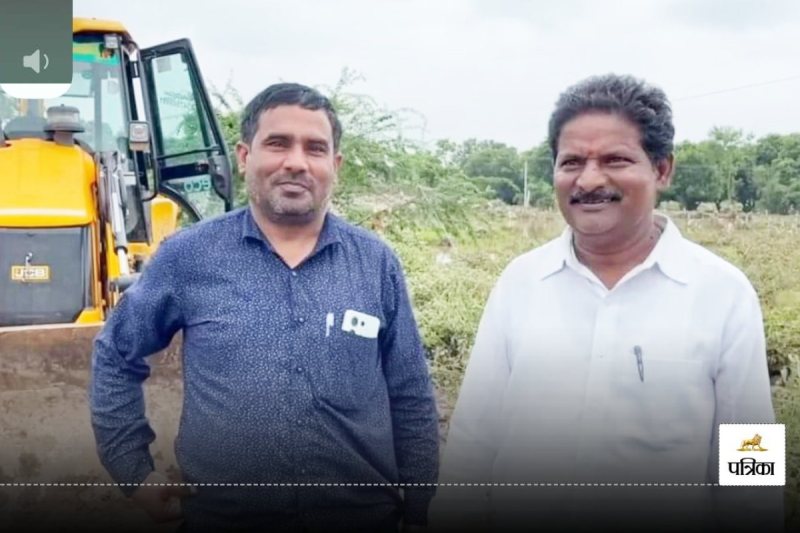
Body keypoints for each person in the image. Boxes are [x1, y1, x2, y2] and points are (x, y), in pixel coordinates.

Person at [435, 74, 780, 532]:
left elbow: (750, 462)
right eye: (572, 162)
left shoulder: (723, 293)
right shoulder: (521, 282)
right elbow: (472, 441)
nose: (590, 179)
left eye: (615, 159)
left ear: (662, 169)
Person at [90, 82, 439, 532]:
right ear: (244, 156)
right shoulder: (189, 257)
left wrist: (419, 510)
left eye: (315, 148)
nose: (296, 162)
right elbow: (116, 354)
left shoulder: (375, 263)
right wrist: (135, 474)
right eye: (277, 143)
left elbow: (410, 393)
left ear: (334, 166)